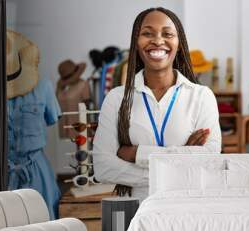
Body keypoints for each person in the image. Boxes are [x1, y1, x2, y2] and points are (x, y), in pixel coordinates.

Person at [93, 7, 221, 201]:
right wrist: (181, 161)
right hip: (137, 213)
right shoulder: (117, 99)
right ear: (136, 42)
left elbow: (209, 159)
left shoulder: (202, 96)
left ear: (179, 43)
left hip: (189, 210)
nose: (158, 40)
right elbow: (103, 167)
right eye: (147, 33)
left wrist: (138, 154)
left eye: (168, 34)